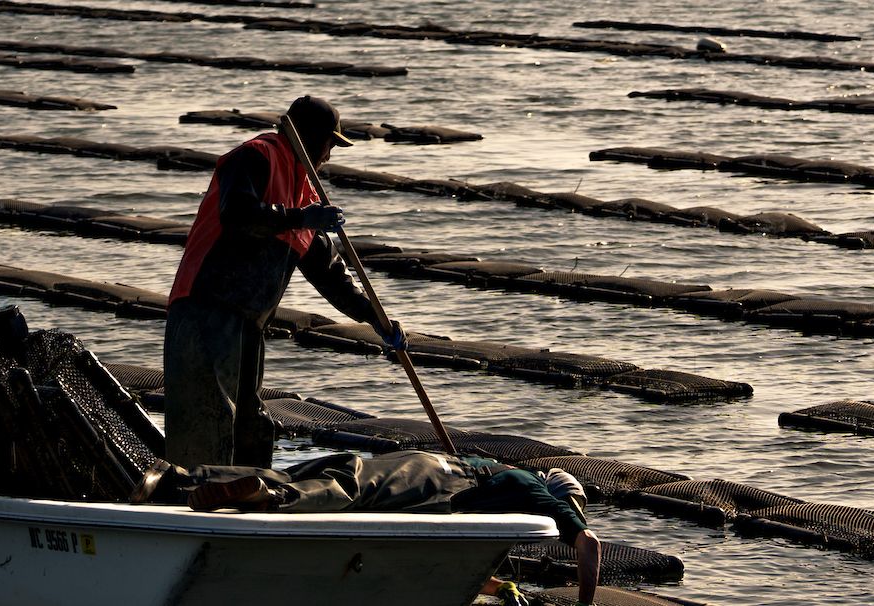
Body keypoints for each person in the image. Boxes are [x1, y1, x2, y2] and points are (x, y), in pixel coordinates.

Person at [163, 95, 404, 468]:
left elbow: (331, 276)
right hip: (205, 310)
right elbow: (238, 214)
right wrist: (299, 218)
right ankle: (197, 504)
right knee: (210, 424)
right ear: (308, 138)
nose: (329, 156)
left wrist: (378, 320)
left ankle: (252, 502)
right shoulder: (256, 156)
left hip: (248, 324)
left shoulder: (305, 195)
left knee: (253, 425)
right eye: (330, 145)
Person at [135, 451, 601, 605]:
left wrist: (499, 589)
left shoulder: (497, 496)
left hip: (414, 467)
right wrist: (585, 601)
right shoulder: (528, 485)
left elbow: (454, 566)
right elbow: (589, 543)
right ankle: (271, 499)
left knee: (316, 474)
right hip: (433, 478)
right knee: (341, 496)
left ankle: (177, 480)